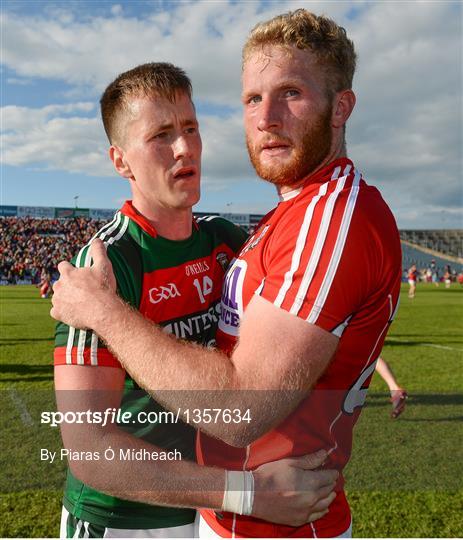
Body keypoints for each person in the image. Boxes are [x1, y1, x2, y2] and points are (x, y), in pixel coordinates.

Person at [51, 9, 402, 538]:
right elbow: (88, 450)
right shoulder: (102, 268)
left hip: (212, 505)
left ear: (341, 107)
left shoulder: (228, 239)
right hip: (124, 517)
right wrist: (241, 491)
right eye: (161, 135)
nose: (185, 148)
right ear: (121, 161)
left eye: (191, 128)